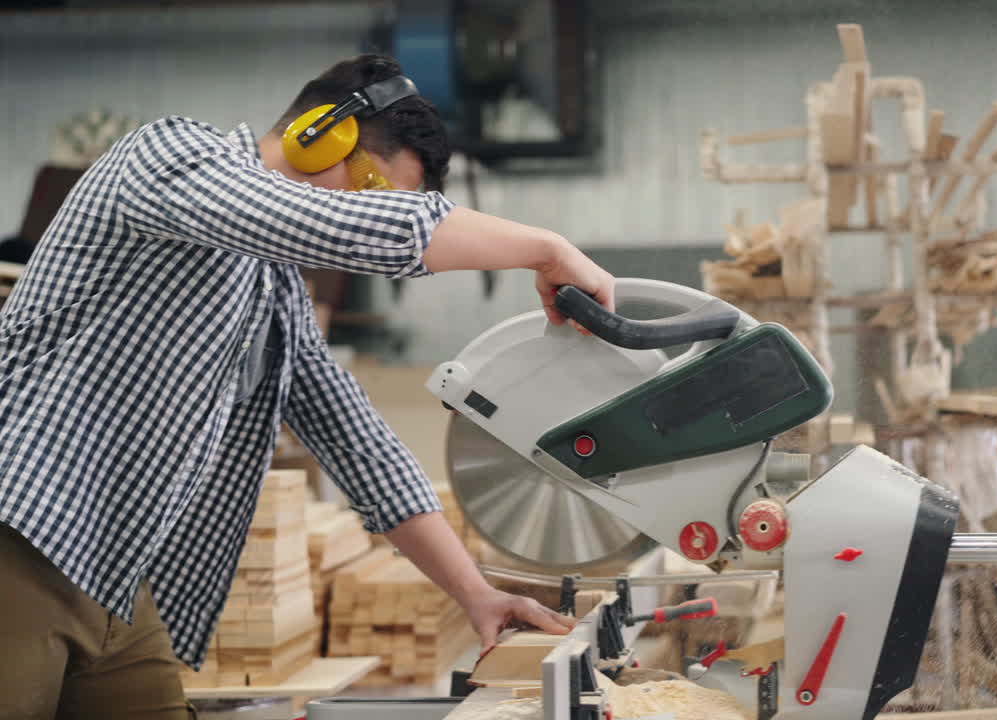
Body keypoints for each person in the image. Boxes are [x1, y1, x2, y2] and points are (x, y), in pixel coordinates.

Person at [0, 54, 613, 719]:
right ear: (321, 132)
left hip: (115, 573)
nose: (366, 213)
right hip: (22, 539)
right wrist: (548, 248)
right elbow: (354, 231)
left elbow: (356, 440)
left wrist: (476, 594)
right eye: (374, 190)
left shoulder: (272, 283)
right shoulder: (167, 155)